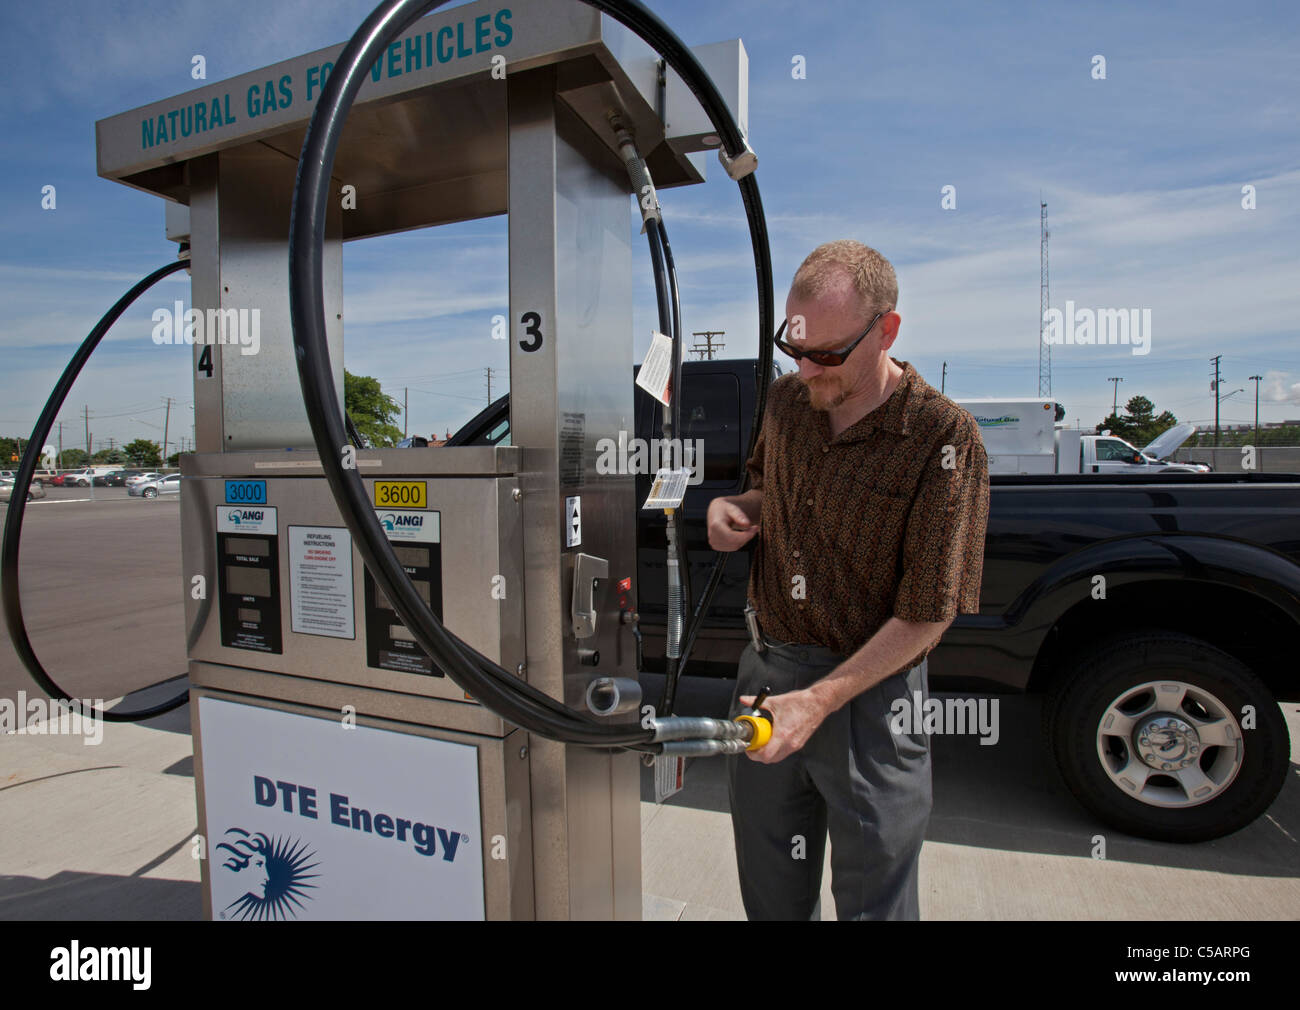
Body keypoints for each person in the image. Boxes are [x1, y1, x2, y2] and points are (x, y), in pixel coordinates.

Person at [707, 239, 990, 920]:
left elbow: (928, 613)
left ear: (886, 329)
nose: (807, 369)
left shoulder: (942, 439)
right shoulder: (786, 403)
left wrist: (820, 701)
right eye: (794, 348)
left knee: (875, 902)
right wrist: (733, 512)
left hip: (873, 698)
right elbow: (762, 490)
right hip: (768, 675)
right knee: (771, 887)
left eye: (828, 355)